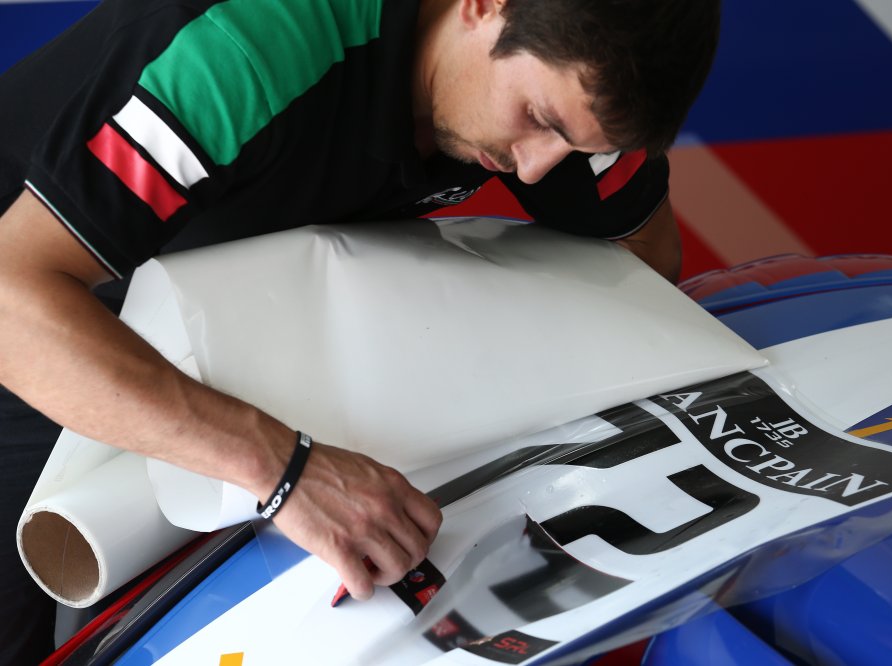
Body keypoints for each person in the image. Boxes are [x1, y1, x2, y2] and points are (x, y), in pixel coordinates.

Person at [0, 0, 720, 661]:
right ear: (483, 7)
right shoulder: (246, 48)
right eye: (537, 118)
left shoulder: (571, 87)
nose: (535, 169)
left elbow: (642, 262)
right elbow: (12, 305)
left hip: (216, 328)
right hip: (42, 317)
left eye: (571, 145)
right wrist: (283, 471)